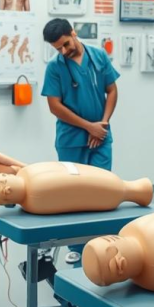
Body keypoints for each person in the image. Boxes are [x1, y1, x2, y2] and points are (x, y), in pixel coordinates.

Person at [41, 18, 119, 264]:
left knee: (101, 191)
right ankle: (75, 245)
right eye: (58, 49)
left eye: (65, 44)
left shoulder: (98, 57)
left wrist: (102, 125)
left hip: (101, 135)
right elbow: (54, 106)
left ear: (73, 33)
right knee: (74, 195)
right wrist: (89, 128)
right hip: (72, 139)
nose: (63, 51)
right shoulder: (55, 67)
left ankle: (99, 245)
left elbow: (112, 90)